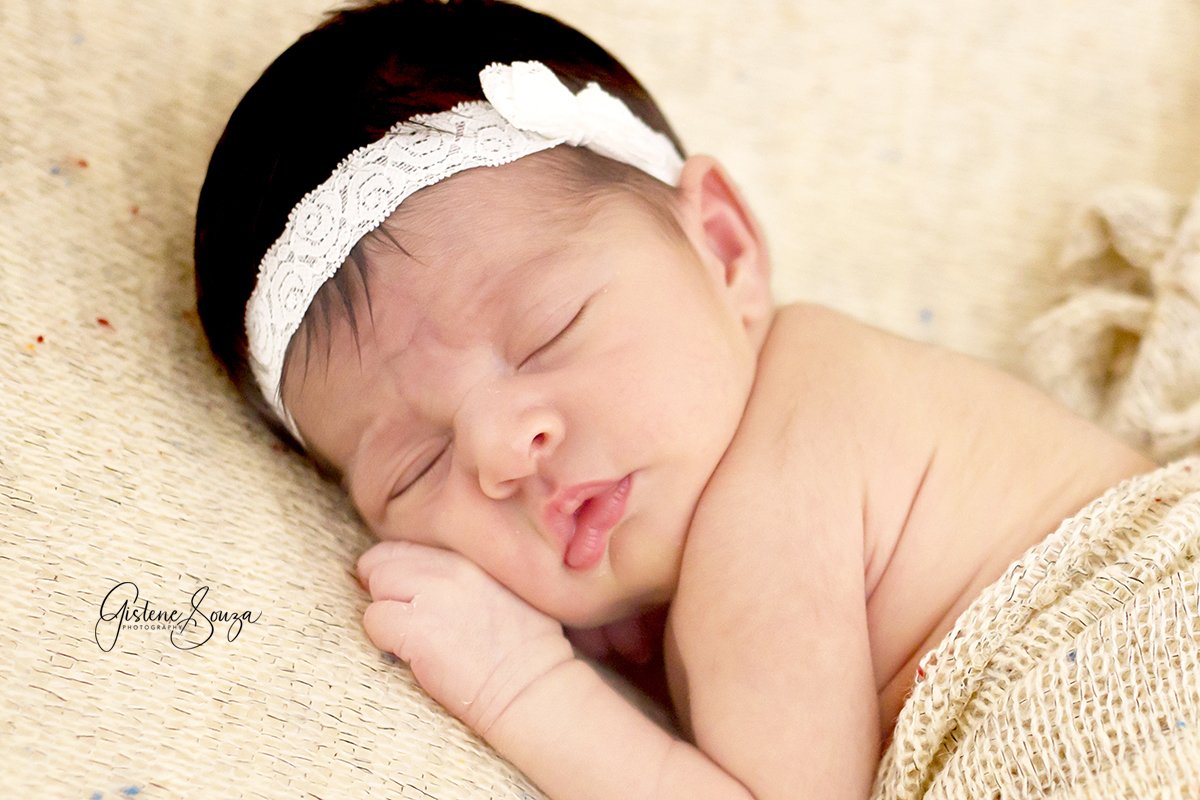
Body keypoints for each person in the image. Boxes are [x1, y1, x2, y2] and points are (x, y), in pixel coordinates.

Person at [193, 1, 1155, 797]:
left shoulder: (772, 505)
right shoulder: (816, 405)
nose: (500, 449)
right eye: (417, 465)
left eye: (549, 330)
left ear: (726, 252)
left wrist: (520, 684)